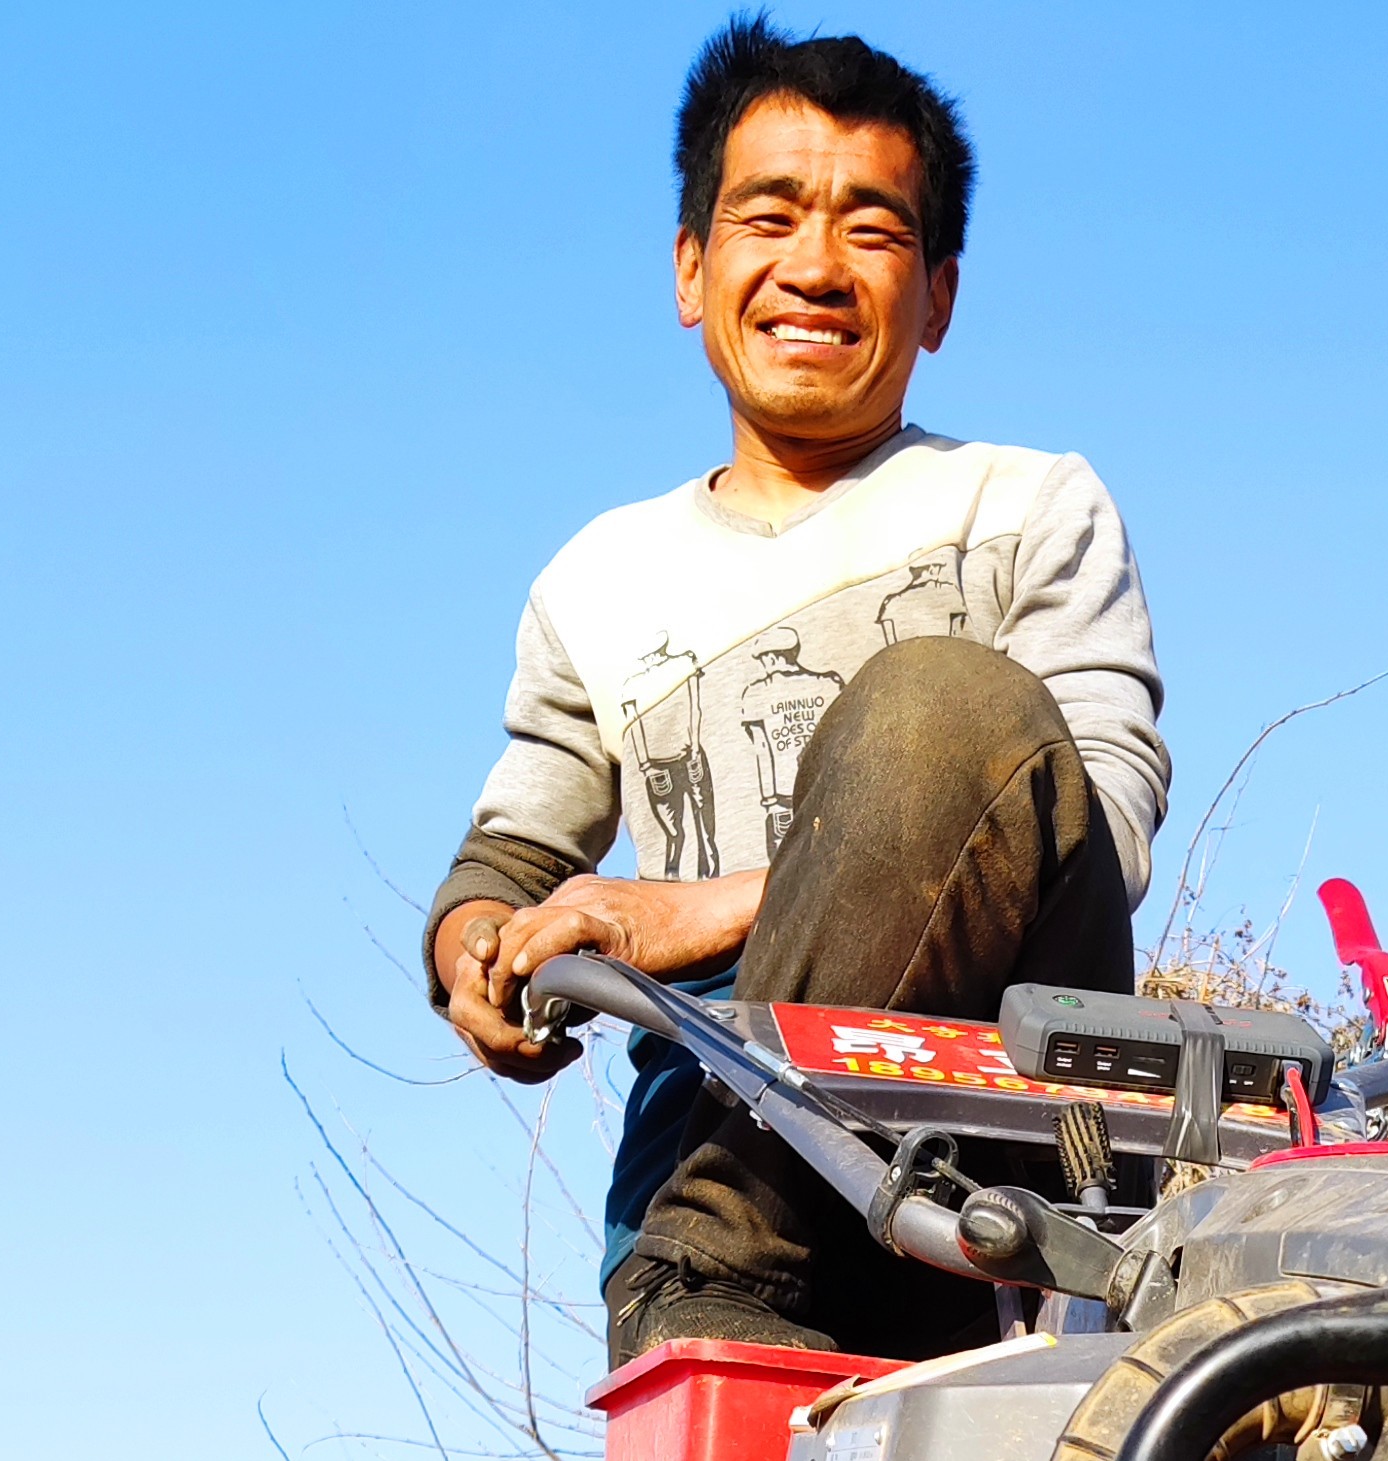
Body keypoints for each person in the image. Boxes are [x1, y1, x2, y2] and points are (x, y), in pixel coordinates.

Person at [424, 16, 1170, 1365]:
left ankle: (736, 1234)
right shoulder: (599, 577)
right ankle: (719, 1249)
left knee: (942, 704)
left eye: (872, 230)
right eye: (770, 216)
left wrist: (694, 913)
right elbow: (514, 849)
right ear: (692, 270)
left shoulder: (1024, 505)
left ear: (940, 294)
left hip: (998, 1161)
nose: (815, 267)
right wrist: (475, 949)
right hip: (692, 1165)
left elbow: (1102, 833)